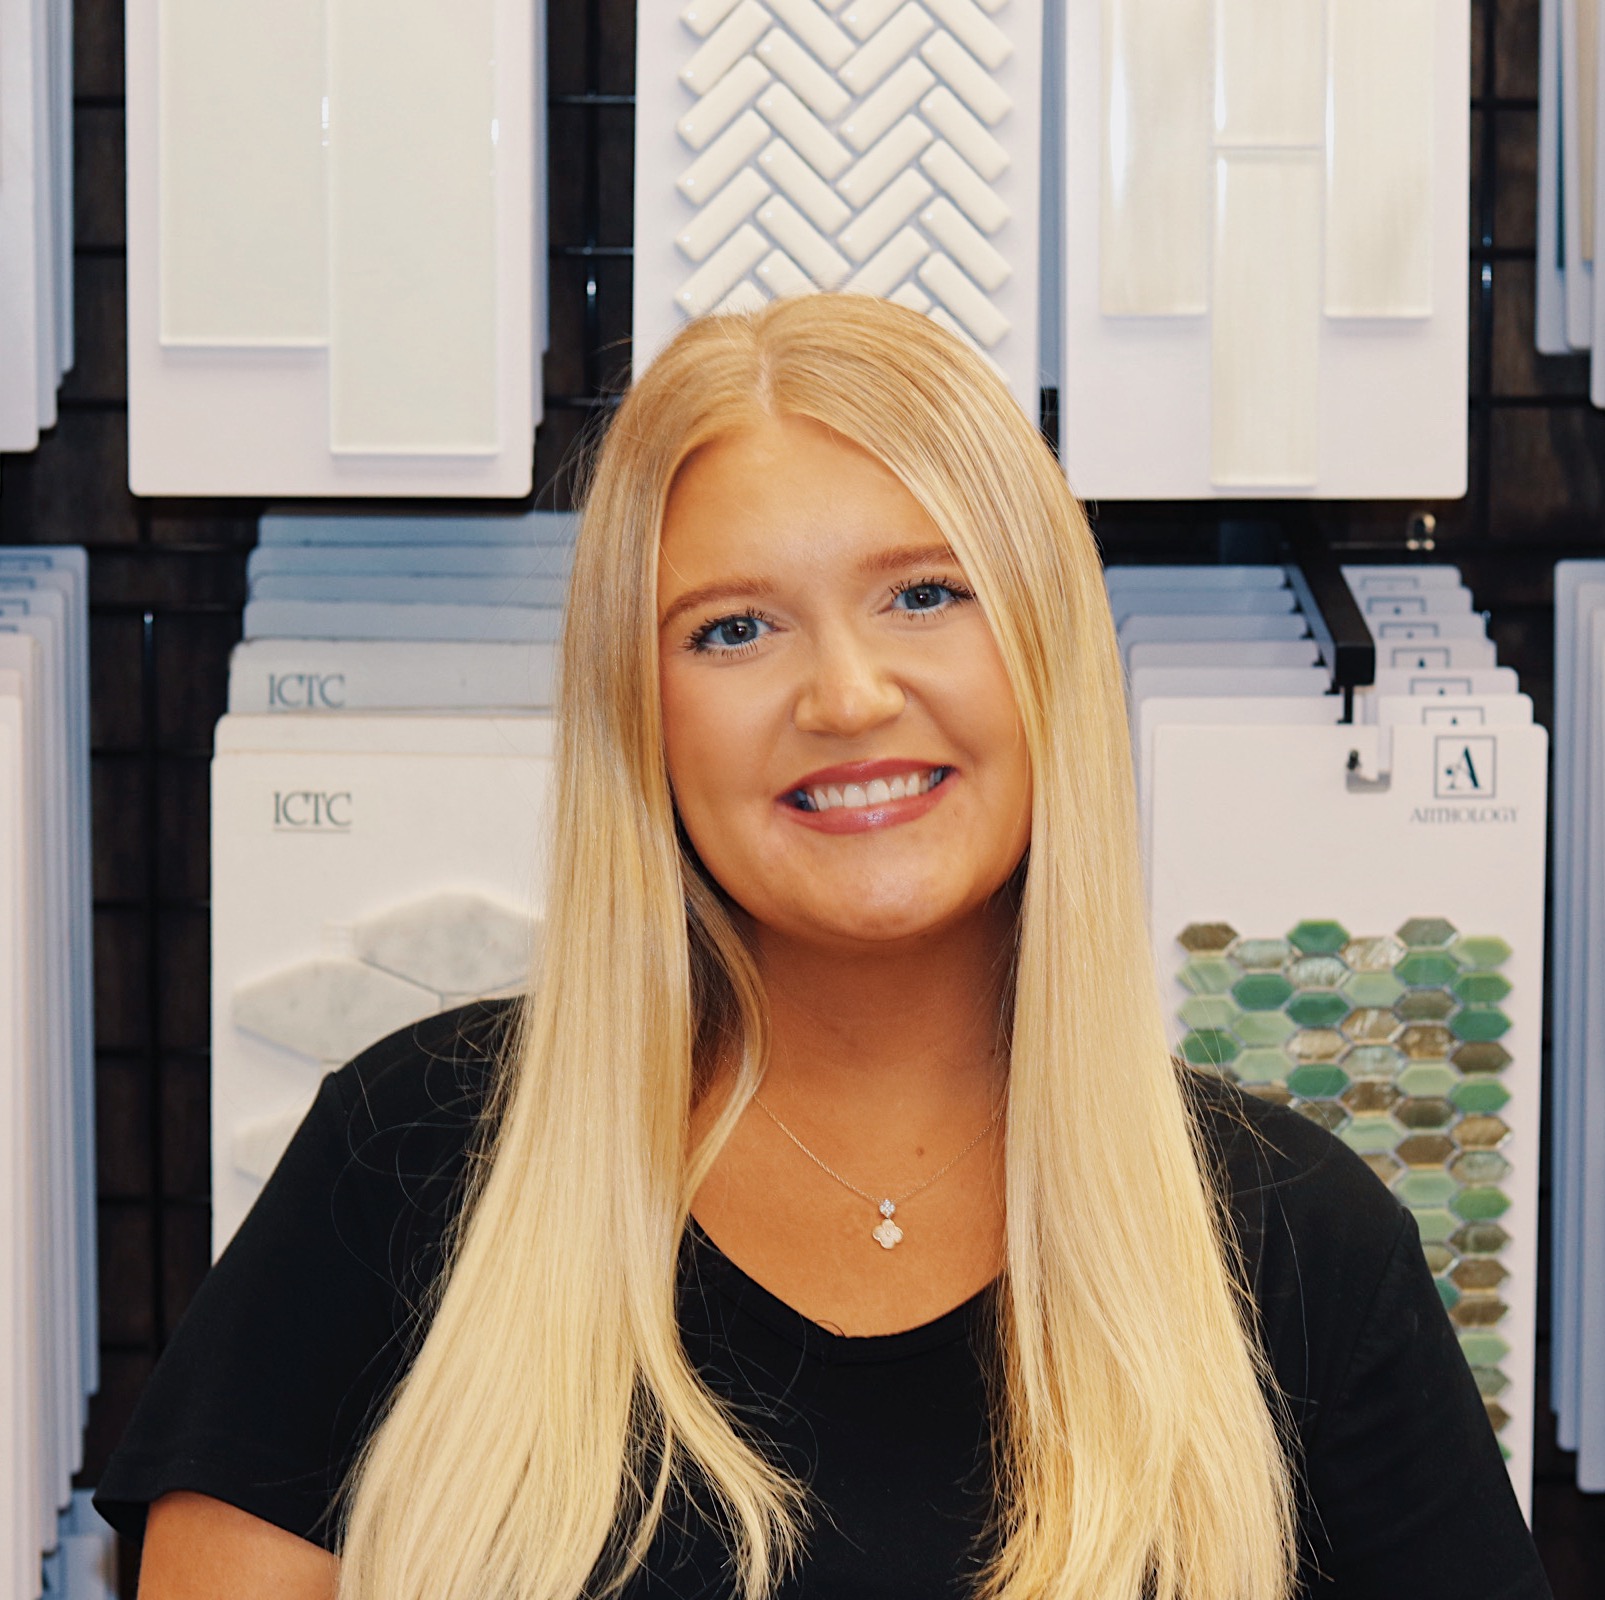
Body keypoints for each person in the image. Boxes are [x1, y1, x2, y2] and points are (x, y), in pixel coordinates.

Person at [97, 295, 1550, 1600]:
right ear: (640, 718)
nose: (846, 697)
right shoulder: (409, 1156)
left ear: (1045, 651)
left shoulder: (1299, 1245)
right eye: (732, 631)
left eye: (924, 594)